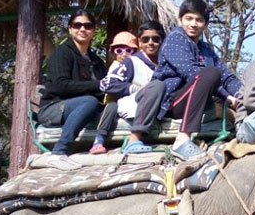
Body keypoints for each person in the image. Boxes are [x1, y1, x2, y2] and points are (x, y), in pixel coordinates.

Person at [154, 0, 242, 160]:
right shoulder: (175, 40)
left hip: (200, 98)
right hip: (174, 101)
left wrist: (243, 95)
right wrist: (227, 96)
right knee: (210, 73)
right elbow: (192, 72)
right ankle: (182, 139)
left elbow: (227, 76)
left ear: (205, 24)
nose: (193, 24)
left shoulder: (205, 48)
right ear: (180, 19)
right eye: (189, 18)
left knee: (217, 74)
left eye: (199, 20)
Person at [92, 22, 174, 154]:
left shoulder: (167, 64)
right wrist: (134, 89)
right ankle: (134, 139)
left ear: (162, 41)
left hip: (158, 106)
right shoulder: (132, 62)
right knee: (157, 86)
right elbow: (107, 84)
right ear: (140, 42)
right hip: (132, 105)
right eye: (146, 39)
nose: (150, 43)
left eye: (156, 39)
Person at [37, 9, 106, 157]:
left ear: (93, 30)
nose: (82, 29)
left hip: (87, 107)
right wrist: (98, 85)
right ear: (70, 29)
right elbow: (60, 85)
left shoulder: (97, 62)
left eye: (88, 26)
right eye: (77, 25)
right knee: (89, 101)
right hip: (54, 107)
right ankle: (60, 149)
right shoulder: (62, 53)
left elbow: (103, 90)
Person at [89, 30, 138, 154]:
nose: (124, 54)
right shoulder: (116, 66)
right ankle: (99, 140)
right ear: (114, 53)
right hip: (114, 100)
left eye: (128, 50)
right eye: (119, 51)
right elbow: (112, 85)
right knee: (111, 107)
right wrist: (131, 87)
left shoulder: (137, 66)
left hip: (129, 103)